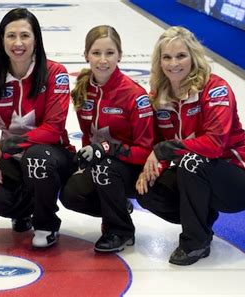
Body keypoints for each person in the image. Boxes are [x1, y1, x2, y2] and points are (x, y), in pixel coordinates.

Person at [136, 26, 245, 265]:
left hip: (238, 178)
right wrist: (153, 168)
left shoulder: (215, 88)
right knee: (147, 190)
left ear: (194, 57)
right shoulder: (159, 95)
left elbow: (214, 144)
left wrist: (164, 151)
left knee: (192, 161)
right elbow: (160, 142)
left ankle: (195, 242)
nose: (173, 64)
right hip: (195, 174)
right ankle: (202, 218)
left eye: (181, 56)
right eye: (166, 57)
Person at [0, 8, 75, 248]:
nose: (17, 43)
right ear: (1, 40)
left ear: (36, 39)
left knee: (36, 156)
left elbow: (53, 129)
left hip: (54, 156)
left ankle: (46, 223)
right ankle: (24, 210)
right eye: (11, 36)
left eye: (24, 35)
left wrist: (2, 147)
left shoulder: (54, 73)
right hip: (11, 158)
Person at [59, 25, 154, 253]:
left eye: (110, 53)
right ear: (86, 55)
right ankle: (119, 206)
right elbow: (87, 136)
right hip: (102, 161)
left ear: (120, 55)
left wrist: (107, 149)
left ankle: (119, 230)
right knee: (71, 194)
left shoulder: (135, 95)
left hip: (131, 168)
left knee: (104, 169)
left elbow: (145, 150)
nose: (103, 60)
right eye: (96, 53)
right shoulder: (83, 90)